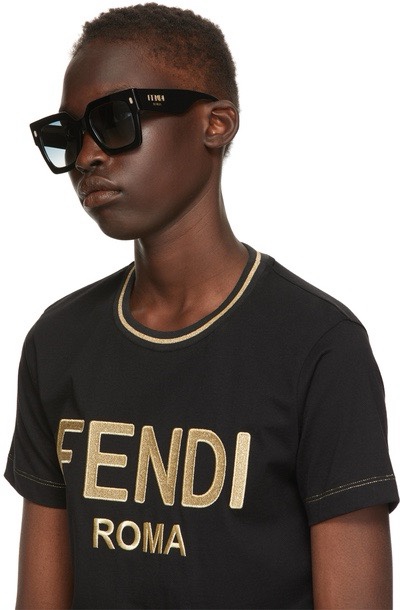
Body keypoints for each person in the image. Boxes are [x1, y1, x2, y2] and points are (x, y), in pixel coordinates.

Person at [5, 3, 398, 609]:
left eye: (115, 119)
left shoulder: (318, 346)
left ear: (216, 123)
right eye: (69, 133)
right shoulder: (58, 343)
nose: (86, 156)